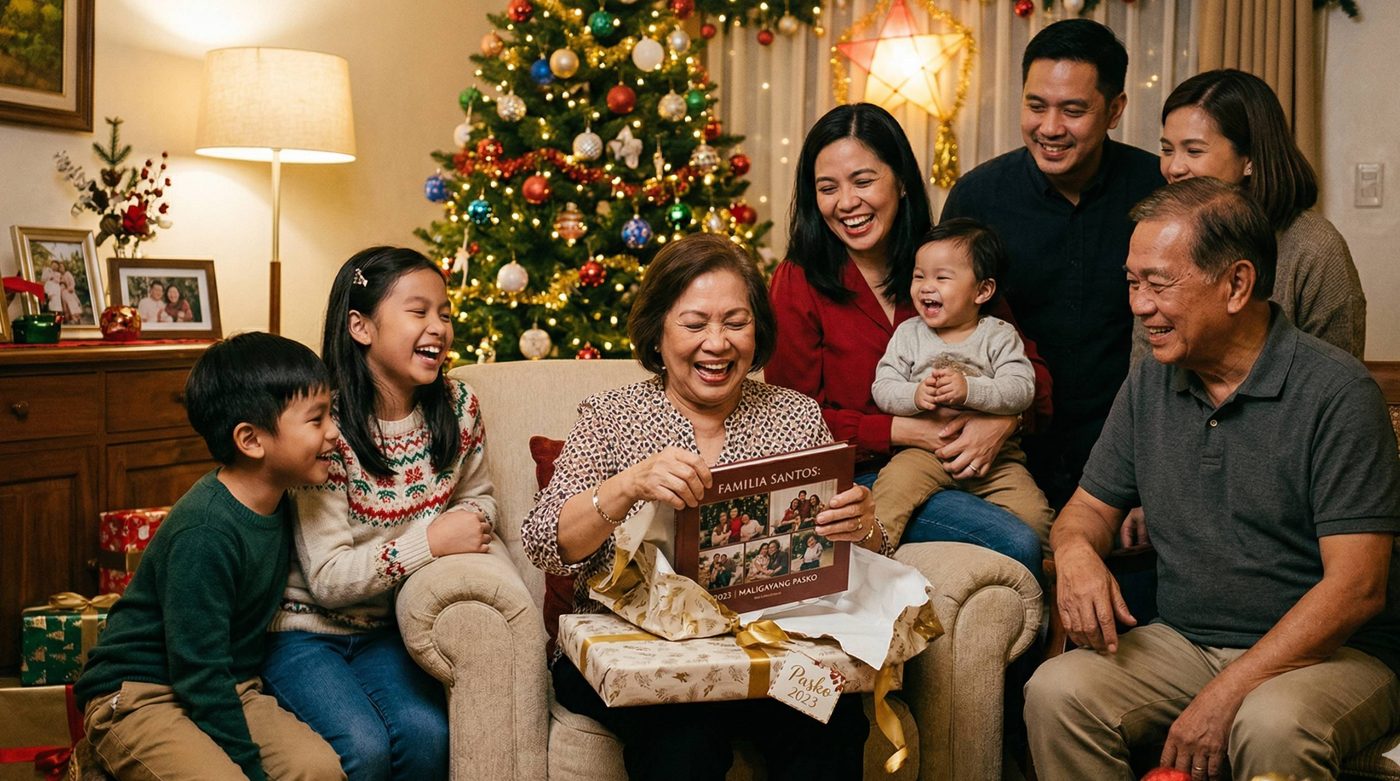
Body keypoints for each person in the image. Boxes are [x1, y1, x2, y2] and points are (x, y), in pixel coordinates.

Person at [1024, 178, 1400, 781]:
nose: (1139, 305)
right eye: (1132, 283)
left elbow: (1357, 589)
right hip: (1186, 642)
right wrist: (1075, 554)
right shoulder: (1150, 382)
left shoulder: (1336, 393)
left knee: (1270, 724)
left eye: (1159, 283)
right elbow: (1088, 510)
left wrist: (1227, 694)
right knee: (1058, 691)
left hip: (1331, 658)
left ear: (1237, 285)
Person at [523, 233, 882, 781]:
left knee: (830, 724)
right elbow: (546, 541)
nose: (717, 343)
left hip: (764, 650)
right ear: (659, 332)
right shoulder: (610, 415)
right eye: (695, 324)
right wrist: (628, 485)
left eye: (735, 323)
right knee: (685, 739)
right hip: (634, 651)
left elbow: (856, 562)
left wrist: (864, 529)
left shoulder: (794, 414)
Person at [769, 101, 1052, 581]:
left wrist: (1001, 424)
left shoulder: (947, 262)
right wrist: (904, 430)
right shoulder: (799, 281)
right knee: (1015, 541)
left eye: (863, 181)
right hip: (863, 479)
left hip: (980, 466)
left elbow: (1034, 379)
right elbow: (789, 420)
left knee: (1038, 527)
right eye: (827, 188)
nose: (846, 202)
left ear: (900, 180)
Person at [261, 247, 497, 781]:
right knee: (362, 749)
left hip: (390, 629)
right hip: (302, 632)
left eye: (445, 312)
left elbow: (479, 500)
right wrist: (430, 541)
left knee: (428, 738)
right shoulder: (324, 427)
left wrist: (458, 529)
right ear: (360, 326)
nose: (438, 327)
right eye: (418, 312)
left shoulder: (460, 407)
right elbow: (327, 578)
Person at [74, 333, 346, 781]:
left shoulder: (285, 501)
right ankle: (102, 757)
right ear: (251, 440)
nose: (334, 432)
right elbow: (197, 671)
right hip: (141, 694)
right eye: (316, 420)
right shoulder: (205, 531)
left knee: (318, 770)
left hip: (229, 686)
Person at [940, 19, 1165, 508]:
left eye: (1073, 110)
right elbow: (947, 328)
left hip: (1131, 453)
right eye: (1035, 105)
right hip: (1005, 453)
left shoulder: (1159, 190)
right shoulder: (978, 197)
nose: (1050, 128)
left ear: (1115, 110)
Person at [1154, 68, 1365, 359]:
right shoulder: (1163, 239)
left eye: (1194, 151)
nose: (1173, 168)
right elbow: (1147, 376)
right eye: (1167, 150)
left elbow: (1338, 384)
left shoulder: (1313, 246)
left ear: (1249, 159)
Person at [871, 219, 1053, 550]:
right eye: (919, 276)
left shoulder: (998, 335)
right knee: (891, 491)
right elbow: (882, 387)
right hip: (923, 453)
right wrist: (914, 394)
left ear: (983, 290)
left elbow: (1022, 388)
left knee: (1036, 518)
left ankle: (1050, 587)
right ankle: (874, 566)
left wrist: (970, 389)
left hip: (996, 462)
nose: (926, 286)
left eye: (942, 277)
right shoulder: (909, 334)